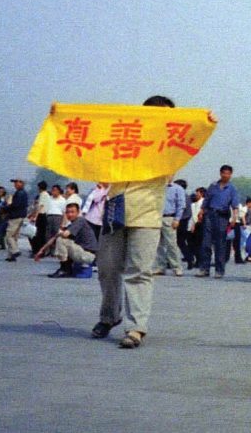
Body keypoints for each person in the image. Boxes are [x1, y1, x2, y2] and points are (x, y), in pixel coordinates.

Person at [93, 95, 216, 348]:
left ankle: (136, 327)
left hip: (147, 213)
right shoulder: (124, 135)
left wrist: (205, 125)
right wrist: (60, 118)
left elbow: (189, 144)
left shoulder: (170, 146)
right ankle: (109, 316)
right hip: (116, 207)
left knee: (140, 270)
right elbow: (95, 141)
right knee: (107, 268)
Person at [197, 165, 238, 279]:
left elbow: (235, 205)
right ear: (220, 173)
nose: (226, 175)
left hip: (222, 217)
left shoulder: (232, 189)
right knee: (206, 243)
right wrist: (201, 212)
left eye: (228, 173)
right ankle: (204, 269)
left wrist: (234, 218)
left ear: (230, 175)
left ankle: (219, 270)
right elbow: (206, 201)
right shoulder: (213, 186)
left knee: (220, 244)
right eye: (224, 173)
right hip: (210, 215)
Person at [47, 203, 98, 278]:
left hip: (87, 255)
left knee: (61, 240)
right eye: (67, 212)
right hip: (83, 253)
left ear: (78, 212)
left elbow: (65, 235)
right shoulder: (73, 224)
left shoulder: (80, 220)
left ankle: (65, 269)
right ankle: (67, 268)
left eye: (72, 212)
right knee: (62, 240)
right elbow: (54, 238)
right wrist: (41, 251)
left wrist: (61, 228)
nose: (70, 214)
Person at [154, 178, 186, 276]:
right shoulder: (157, 187)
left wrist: (177, 219)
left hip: (169, 218)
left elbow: (181, 205)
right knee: (158, 244)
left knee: (171, 244)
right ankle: (160, 266)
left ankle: (177, 267)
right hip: (156, 217)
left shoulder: (177, 188)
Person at [3, 178, 28, 262]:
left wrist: (5, 208)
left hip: (15, 216)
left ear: (21, 183)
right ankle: (11, 255)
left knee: (8, 236)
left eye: (17, 182)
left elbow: (15, 205)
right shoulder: (24, 193)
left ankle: (15, 251)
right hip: (21, 216)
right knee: (14, 236)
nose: (15, 184)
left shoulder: (19, 193)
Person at [44, 184, 66, 255]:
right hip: (49, 216)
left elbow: (64, 212)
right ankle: (47, 250)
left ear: (59, 191)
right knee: (48, 234)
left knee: (56, 234)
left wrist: (63, 222)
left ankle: (54, 250)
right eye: (53, 190)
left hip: (58, 217)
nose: (54, 192)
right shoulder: (49, 198)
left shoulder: (62, 200)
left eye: (55, 190)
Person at [188, 187, 206, 270]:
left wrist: (194, 224)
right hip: (195, 224)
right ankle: (198, 260)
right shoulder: (195, 204)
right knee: (195, 244)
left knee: (198, 244)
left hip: (200, 224)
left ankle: (200, 260)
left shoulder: (202, 203)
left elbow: (198, 215)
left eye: (197, 193)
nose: (196, 195)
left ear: (201, 194)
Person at [29, 181, 49, 253]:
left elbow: (40, 206)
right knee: (41, 233)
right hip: (43, 215)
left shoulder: (43, 194)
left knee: (38, 234)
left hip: (41, 215)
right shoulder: (46, 194)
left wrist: (35, 216)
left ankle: (38, 250)